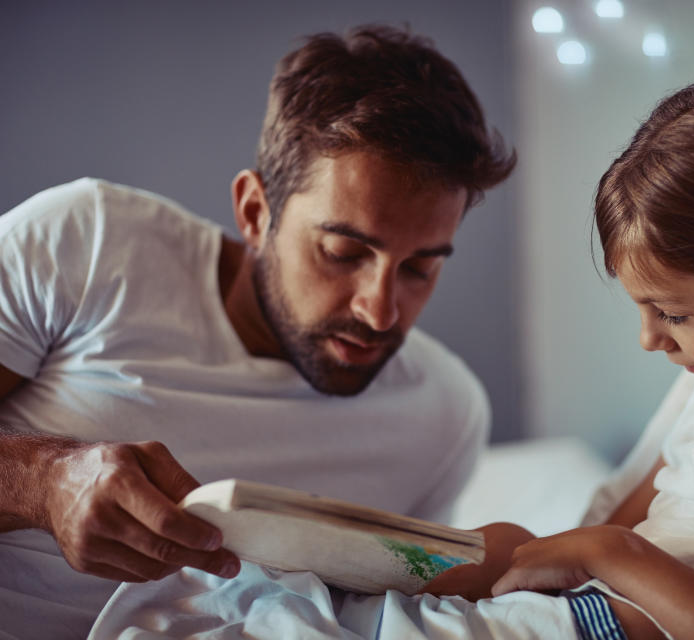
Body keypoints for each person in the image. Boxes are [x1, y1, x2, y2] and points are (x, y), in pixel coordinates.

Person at [84, 79, 694, 640]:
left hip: (592, 625)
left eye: (672, 313)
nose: (651, 341)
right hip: (570, 606)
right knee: (243, 595)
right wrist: (491, 555)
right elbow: (620, 526)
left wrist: (608, 556)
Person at [0, 25, 515, 639]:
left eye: (420, 268)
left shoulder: (445, 413)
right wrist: (43, 482)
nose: (381, 311)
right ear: (254, 212)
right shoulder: (87, 243)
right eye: (343, 252)